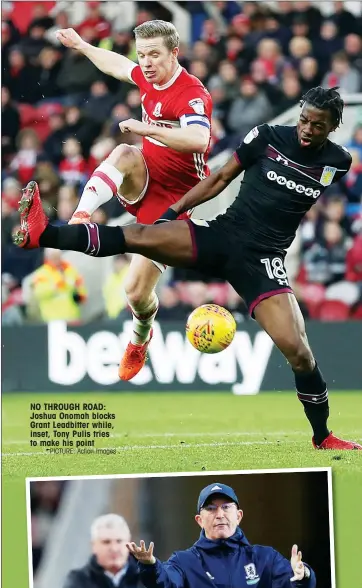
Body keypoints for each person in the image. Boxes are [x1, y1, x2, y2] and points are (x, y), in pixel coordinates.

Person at [14, 86, 362, 451]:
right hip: (224, 234)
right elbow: (219, 178)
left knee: (299, 351)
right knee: (137, 236)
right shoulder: (268, 136)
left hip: (263, 259)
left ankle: (323, 437)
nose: (307, 129)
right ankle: (44, 234)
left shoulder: (337, 164)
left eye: (317, 125)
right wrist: (171, 213)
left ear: (334, 126)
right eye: (304, 119)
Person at [56, 21, 212, 381]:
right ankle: (81, 214)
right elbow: (116, 64)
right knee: (124, 152)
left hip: (175, 201)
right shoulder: (146, 74)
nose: (146, 62)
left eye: (154, 54)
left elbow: (198, 140)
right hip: (144, 176)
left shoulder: (191, 93)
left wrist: (149, 129)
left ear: (175, 53)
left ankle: (140, 338)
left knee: (135, 293)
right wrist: (81, 45)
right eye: (142, 55)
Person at [126, 482, 316, 588]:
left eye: (226, 507)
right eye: (211, 508)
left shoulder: (263, 557)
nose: (219, 514)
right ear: (199, 520)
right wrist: (150, 565)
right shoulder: (185, 561)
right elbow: (165, 585)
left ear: (239, 515)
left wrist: (303, 575)